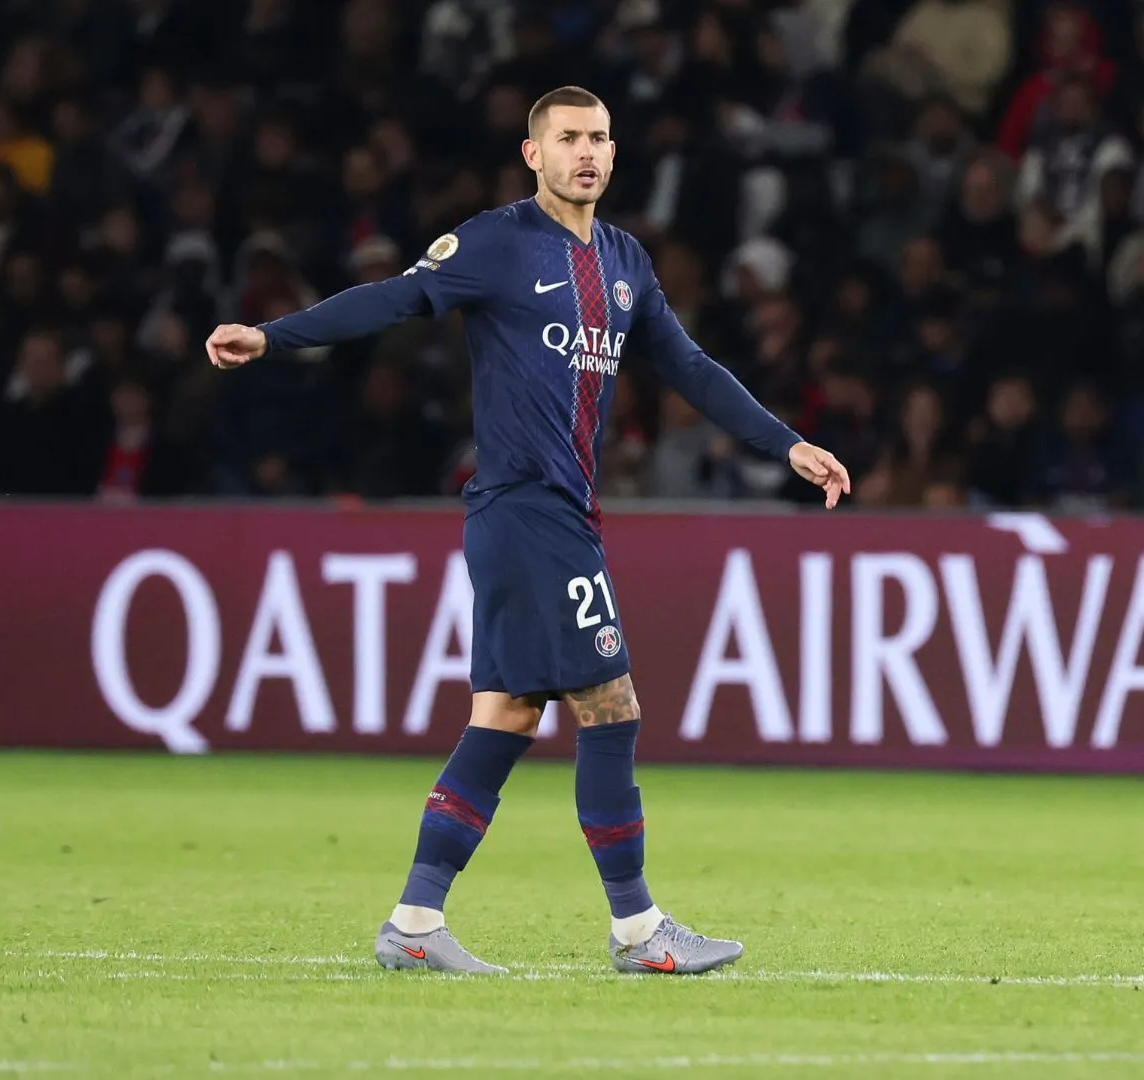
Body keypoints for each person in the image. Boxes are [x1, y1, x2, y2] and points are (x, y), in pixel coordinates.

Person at [204, 87, 851, 977]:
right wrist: (272, 337)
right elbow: (397, 298)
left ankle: (415, 921)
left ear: (614, 154)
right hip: (527, 509)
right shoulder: (497, 241)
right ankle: (639, 931)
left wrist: (788, 444)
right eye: (568, 137)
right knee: (611, 706)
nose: (586, 152)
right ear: (533, 154)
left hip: (550, 514)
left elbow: (690, 366)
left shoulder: (624, 259)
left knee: (507, 715)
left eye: (599, 138)